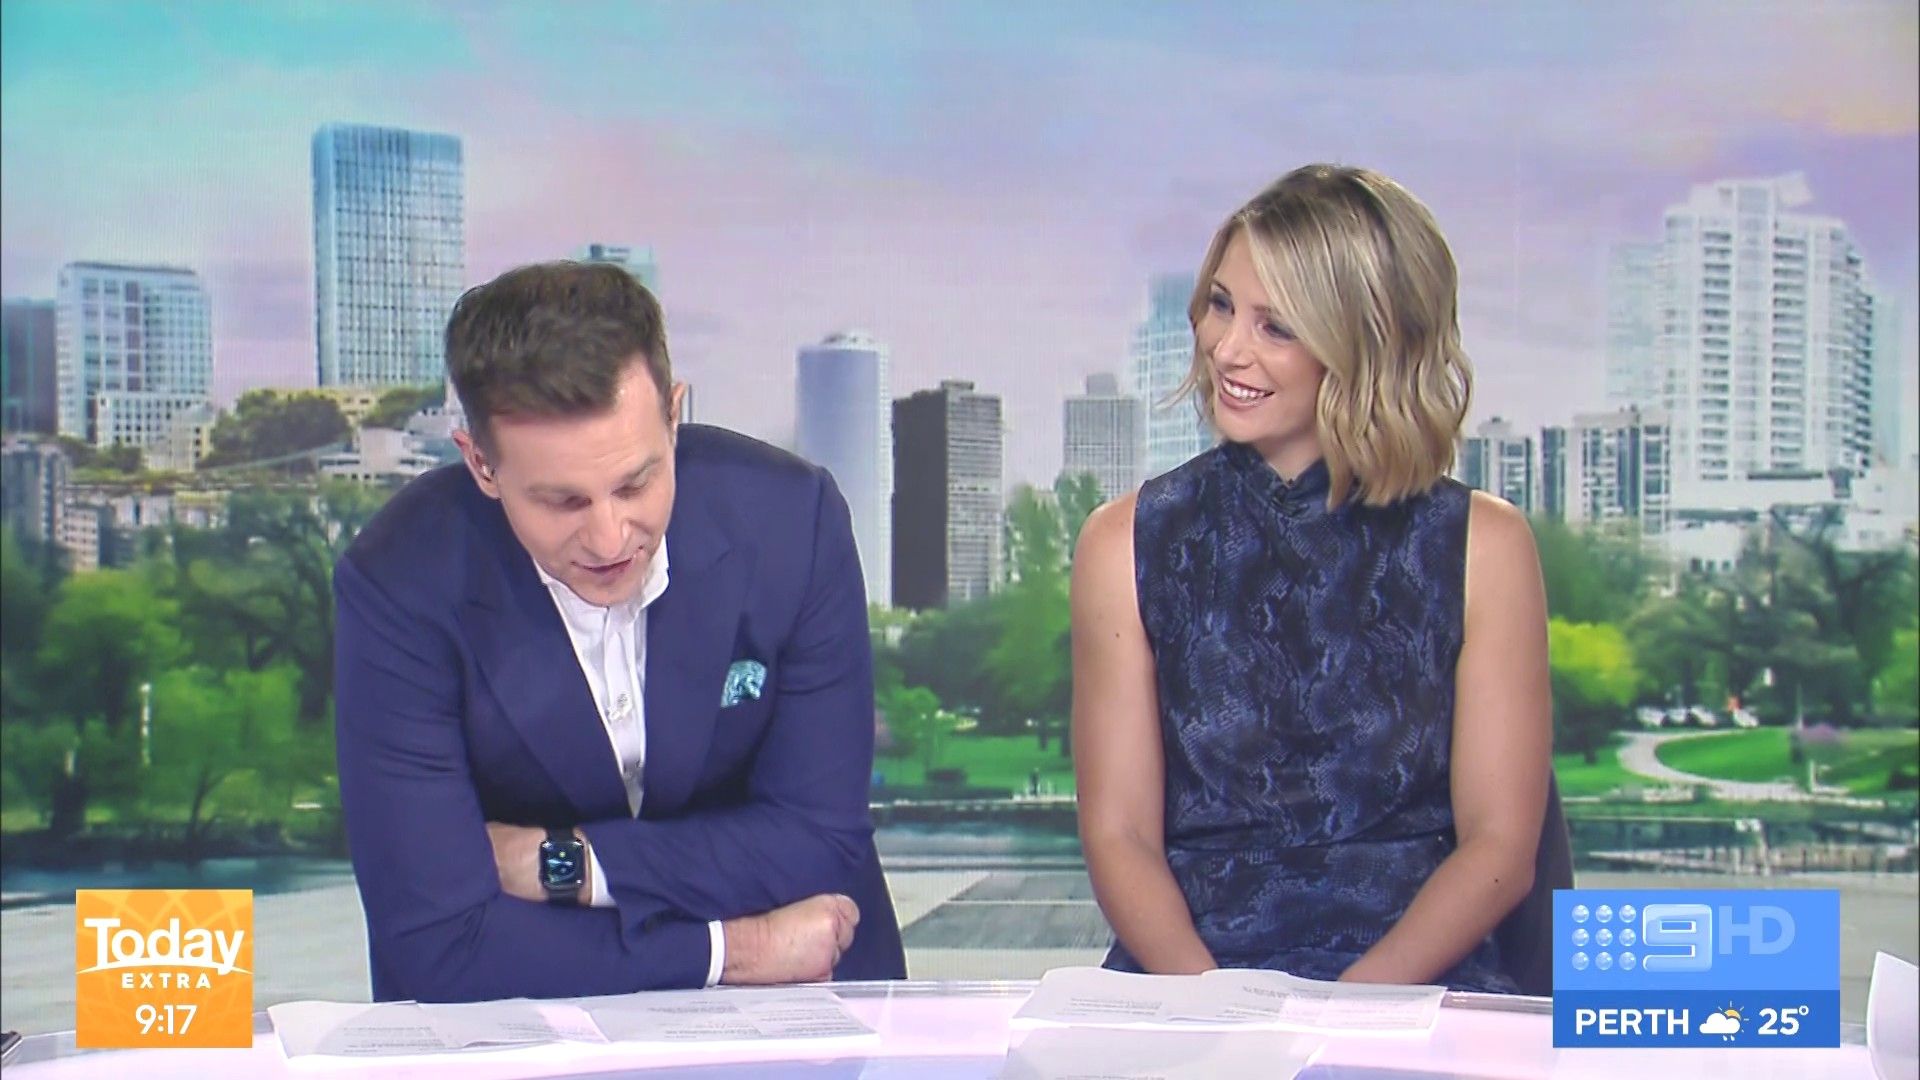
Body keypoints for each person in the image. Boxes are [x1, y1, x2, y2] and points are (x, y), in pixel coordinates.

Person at [333, 261, 907, 1002]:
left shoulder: (793, 520)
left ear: (674, 414)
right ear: (480, 463)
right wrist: (735, 949)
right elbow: (440, 946)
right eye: (562, 501)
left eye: (636, 484)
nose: (609, 538)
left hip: (815, 985)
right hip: (536, 1023)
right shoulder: (401, 580)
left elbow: (818, 843)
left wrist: (561, 865)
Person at [1070, 164, 1551, 992]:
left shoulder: (1486, 546)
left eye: (1276, 327)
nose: (1228, 348)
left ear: (1365, 343)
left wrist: (1349, 1012)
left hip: (1416, 988)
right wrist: (1220, 1013)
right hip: (1190, 986)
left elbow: (1499, 847)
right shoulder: (1124, 543)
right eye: (1221, 305)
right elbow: (1121, 838)